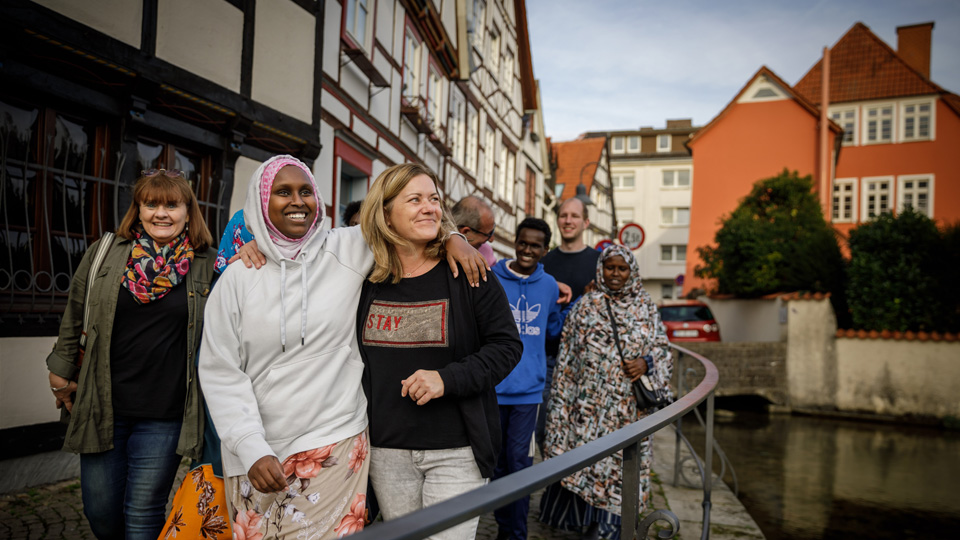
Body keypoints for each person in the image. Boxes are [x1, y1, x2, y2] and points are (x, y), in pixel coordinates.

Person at [199, 155, 484, 540]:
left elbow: (407, 217)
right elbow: (220, 372)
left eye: (306, 191)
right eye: (283, 192)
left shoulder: (348, 248)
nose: (297, 201)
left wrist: (454, 237)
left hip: (336, 441)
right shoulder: (237, 278)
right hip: (256, 452)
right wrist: (250, 447)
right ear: (261, 202)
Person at [46, 169, 217, 539]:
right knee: (100, 510)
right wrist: (60, 371)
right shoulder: (105, 253)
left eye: (172, 205)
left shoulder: (209, 263)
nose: (161, 213)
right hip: (103, 404)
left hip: (166, 414)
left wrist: (249, 248)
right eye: (151, 204)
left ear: (188, 211)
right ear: (137, 210)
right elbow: (75, 311)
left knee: (142, 513)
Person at [355, 163, 522, 540]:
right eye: (414, 200)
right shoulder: (365, 277)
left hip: (457, 450)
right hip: (386, 449)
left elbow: (507, 346)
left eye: (433, 199)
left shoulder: (468, 271)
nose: (429, 207)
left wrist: (447, 379)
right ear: (385, 213)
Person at [539, 245, 673, 540]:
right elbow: (567, 360)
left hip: (629, 411)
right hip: (589, 410)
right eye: (610, 267)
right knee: (589, 465)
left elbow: (663, 349)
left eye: (622, 268)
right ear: (601, 269)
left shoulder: (645, 306)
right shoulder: (586, 306)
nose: (615, 274)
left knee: (621, 467)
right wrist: (563, 406)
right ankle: (588, 524)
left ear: (631, 272)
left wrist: (646, 362)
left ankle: (612, 528)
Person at [490, 217, 565, 540]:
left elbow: (553, 329)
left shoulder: (549, 286)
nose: (527, 250)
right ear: (515, 242)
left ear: (545, 250)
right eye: (523, 243)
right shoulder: (492, 277)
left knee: (520, 465)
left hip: (529, 392)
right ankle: (503, 528)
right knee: (497, 466)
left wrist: (573, 305)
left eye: (536, 246)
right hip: (493, 388)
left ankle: (516, 535)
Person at [536, 197, 599, 448]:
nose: (568, 221)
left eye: (574, 216)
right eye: (563, 215)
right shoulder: (544, 262)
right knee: (545, 430)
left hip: (587, 359)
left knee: (583, 432)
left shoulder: (599, 262)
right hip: (549, 358)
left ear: (586, 222)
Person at [451, 195, 498, 267]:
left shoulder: (486, 253)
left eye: (493, 230)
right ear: (465, 232)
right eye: (489, 234)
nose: (492, 239)